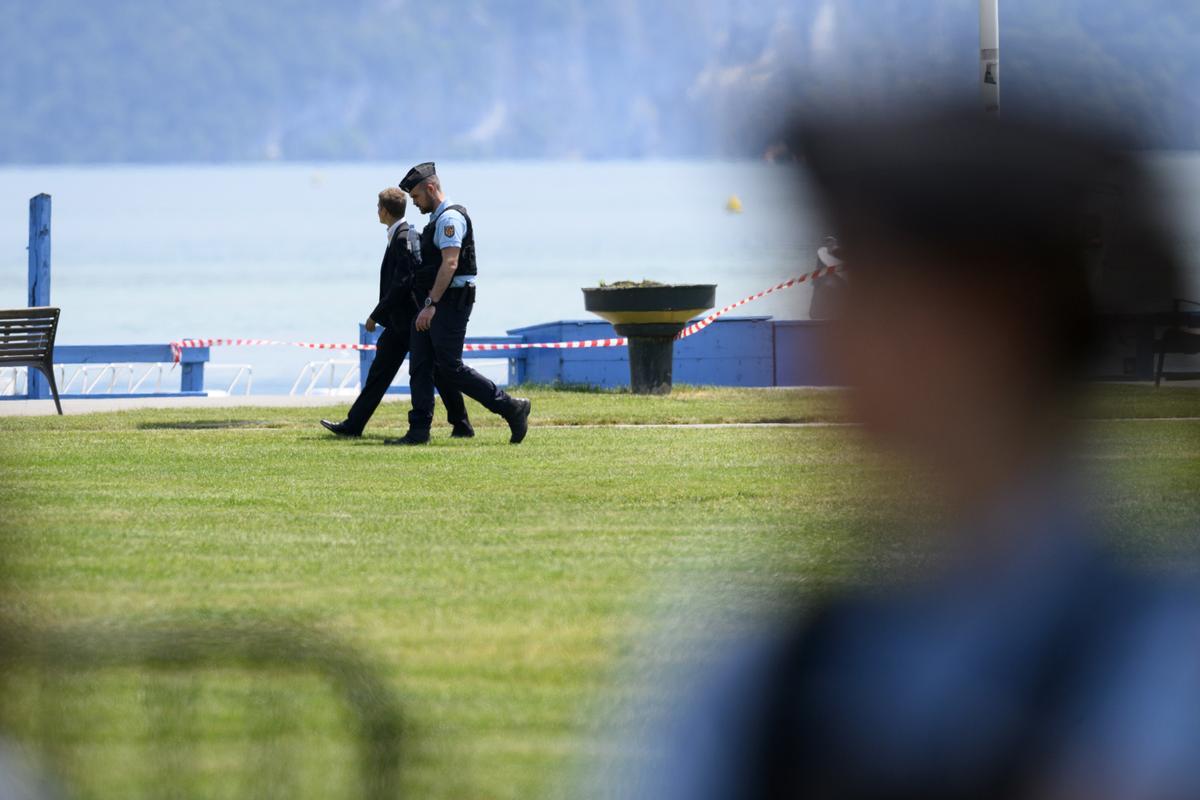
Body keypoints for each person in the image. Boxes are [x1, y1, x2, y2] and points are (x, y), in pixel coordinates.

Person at [598, 108, 1199, 800]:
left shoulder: (1164, 675)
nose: (843, 327)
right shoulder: (770, 672)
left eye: (881, 280)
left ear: (999, 318)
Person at [386, 162, 531, 446]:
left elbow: (450, 264)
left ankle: (511, 407)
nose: (414, 203)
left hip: (449, 302)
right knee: (421, 363)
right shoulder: (437, 219)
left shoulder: (450, 220)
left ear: (430, 188)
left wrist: (430, 304)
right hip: (435, 300)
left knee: (451, 368)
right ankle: (418, 431)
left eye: (416, 197)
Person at [320, 188, 472, 438]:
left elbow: (401, 283)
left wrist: (376, 315)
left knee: (434, 372)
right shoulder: (406, 233)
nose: (377, 212)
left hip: (407, 322)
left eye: (378, 207)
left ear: (386, 211)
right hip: (403, 323)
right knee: (384, 374)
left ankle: (461, 424)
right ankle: (353, 424)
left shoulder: (402, 237)